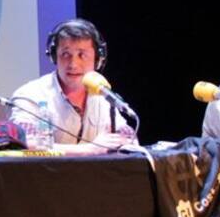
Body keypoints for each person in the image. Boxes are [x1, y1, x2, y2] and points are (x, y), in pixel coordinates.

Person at [10, 19, 137, 149]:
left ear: (97, 59)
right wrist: (89, 149)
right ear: (54, 56)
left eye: (82, 55)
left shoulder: (103, 95)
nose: (73, 64)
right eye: (65, 54)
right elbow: (25, 144)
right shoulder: (30, 95)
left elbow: (128, 138)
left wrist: (126, 142)